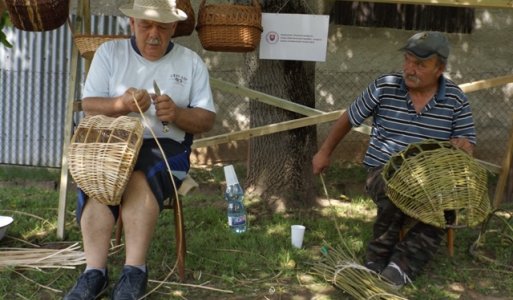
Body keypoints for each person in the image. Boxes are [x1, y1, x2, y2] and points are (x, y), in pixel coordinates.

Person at [64, 0, 216, 299]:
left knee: (137, 175)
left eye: (162, 26)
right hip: (111, 144)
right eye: (146, 25)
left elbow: (207, 119)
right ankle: (94, 272)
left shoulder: (190, 62)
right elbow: (90, 106)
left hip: (167, 146)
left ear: (174, 27)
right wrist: (121, 105)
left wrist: (178, 113)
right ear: (132, 24)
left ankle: (134, 271)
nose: (154, 34)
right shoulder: (110, 53)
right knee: (101, 175)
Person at [312, 31, 476, 289]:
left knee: (445, 207)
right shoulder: (385, 86)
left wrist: (464, 146)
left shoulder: (455, 99)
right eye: (408, 60)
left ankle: (401, 266)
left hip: (431, 180)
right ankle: (376, 259)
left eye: (420, 64)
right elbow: (349, 118)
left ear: (440, 68)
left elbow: (467, 143)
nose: (410, 69)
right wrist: (324, 152)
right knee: (396, 189)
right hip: (384, 171)